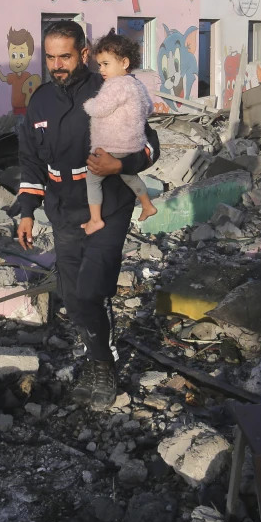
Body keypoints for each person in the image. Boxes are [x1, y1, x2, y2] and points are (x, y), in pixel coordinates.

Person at [12, 21, 159, 408]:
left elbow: (149, 147)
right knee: (71, 294)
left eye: (65, 56)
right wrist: (27, 211)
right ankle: (96, 355)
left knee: (92, 286)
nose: (57, 64)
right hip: (63, 207)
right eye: (50, 57)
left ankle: (103, 366)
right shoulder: (39, 100)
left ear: (84, 53)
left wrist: (121, 164)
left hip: (107, 203)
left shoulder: (112, 89)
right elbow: (30, 159)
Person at [81, 32, 157, 235]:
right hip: (132, 146)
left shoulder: (114, 84)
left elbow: (100, 109)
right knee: (129, 175)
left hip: (112, 146)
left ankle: (95, 219)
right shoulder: (136, 83)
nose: (101, 70)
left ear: (124, 62)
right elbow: (149, 108)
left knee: (92, 180)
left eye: (106, 64)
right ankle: (147, 205)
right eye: (99, 65)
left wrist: (89, 104)